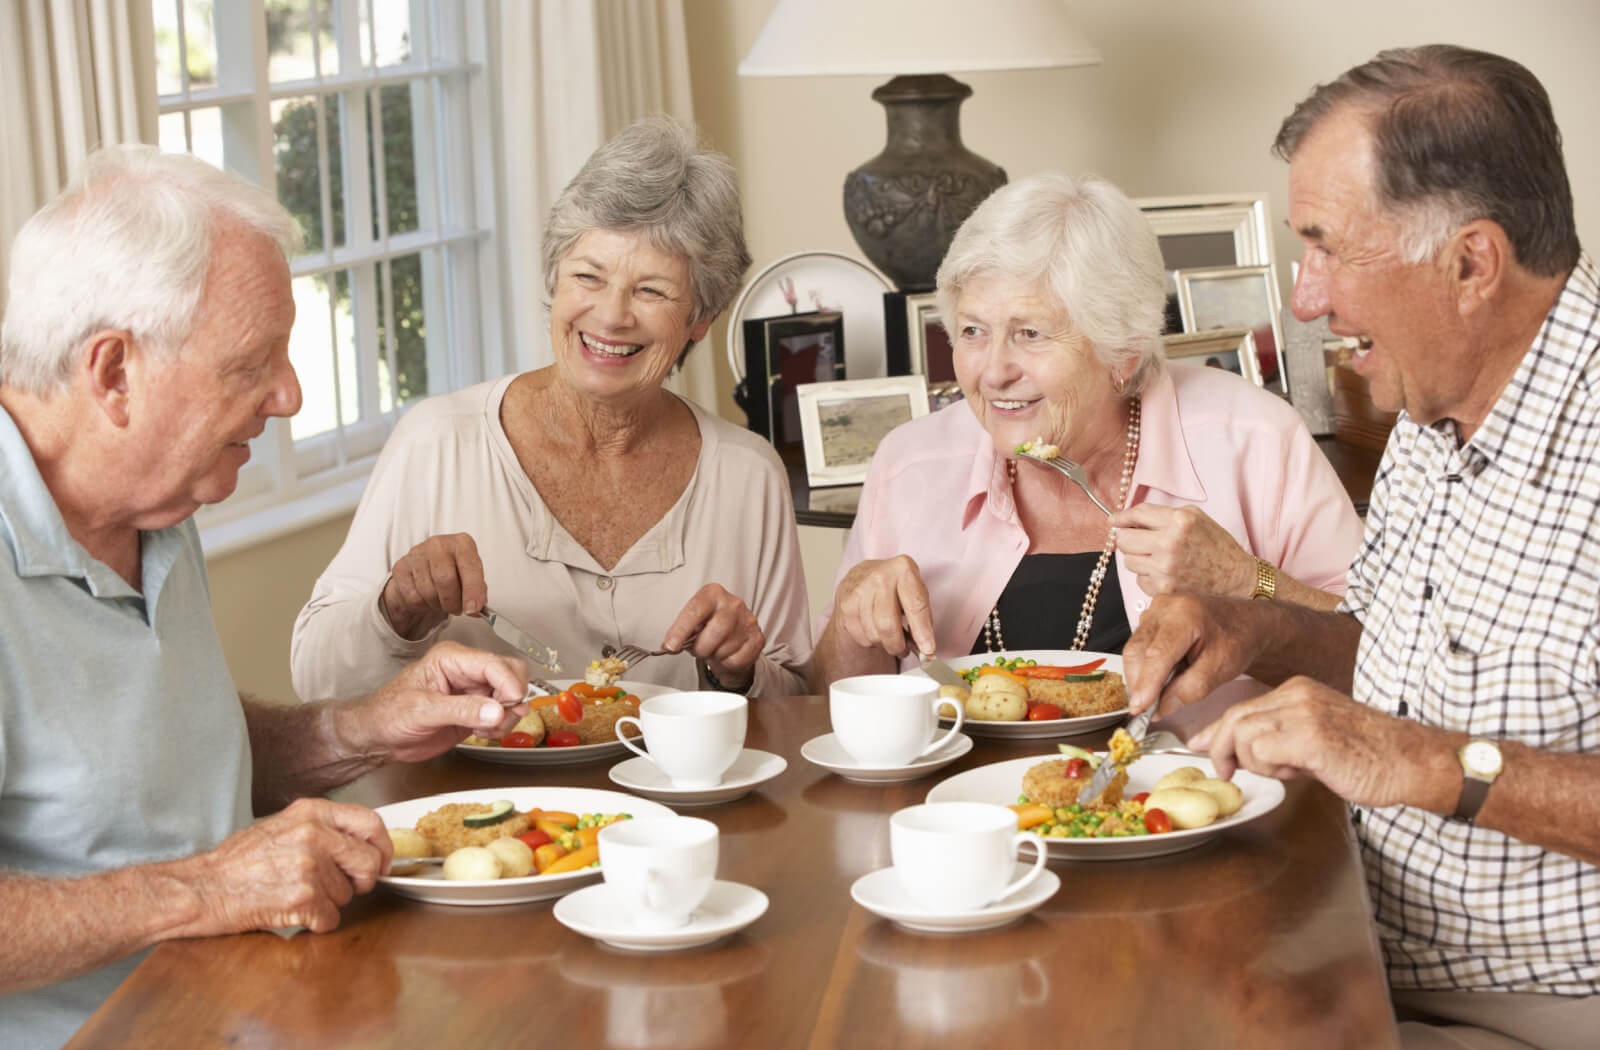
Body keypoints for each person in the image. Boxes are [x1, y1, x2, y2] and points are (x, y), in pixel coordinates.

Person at [0, 146, 534, 1047]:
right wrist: (211, 887)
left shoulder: (159, 503)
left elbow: (167, 756)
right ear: (114, 374)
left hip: (247, 1008)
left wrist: (360, 729)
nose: (287, 396)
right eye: (251, 363)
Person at [1123, 45, 1600, 1048]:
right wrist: (1251, 633)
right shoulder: (1431, 412)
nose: (1304, 299)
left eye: (1327, 248)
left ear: (1470, 264)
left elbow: (1415, 744)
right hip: (1366, 939)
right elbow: (1402, 660)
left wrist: (1422, 763)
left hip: (1538, 1001)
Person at [291, 116, 811, 701]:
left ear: (699, 321)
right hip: (482, 794)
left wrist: (737, 672)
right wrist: (397, 609)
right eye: (588, 277)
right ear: (553, 280)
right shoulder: (438, 443)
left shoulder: (747, 475)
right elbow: (317, 680)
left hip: (679, 795)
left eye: (651, 291)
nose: (612, 316)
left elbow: (795, 709)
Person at [811, 172, 1362, 687]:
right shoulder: (910, 465)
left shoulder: (1257, 440)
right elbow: (827, 705)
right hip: (955, 793)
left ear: (1121, 351)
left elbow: (1380, 655)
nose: (993, 371)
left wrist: (1246, 582)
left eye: (1029, 333)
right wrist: (854, 621)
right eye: (973, 331)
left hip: (1198, 786)